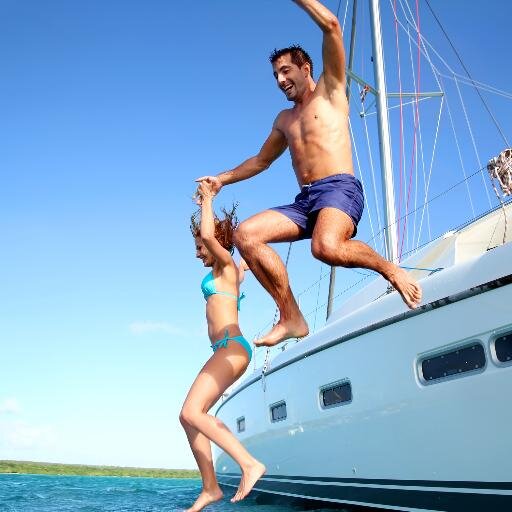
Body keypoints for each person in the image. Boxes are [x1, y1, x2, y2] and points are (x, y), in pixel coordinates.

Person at [196, 0, 422, 348]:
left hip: (339, 189)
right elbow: (260, 161)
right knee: (246, 235)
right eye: (275, 75)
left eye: (286, 70)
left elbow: (332, 25)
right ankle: (291, 316)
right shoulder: (284, 120)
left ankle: (390, 269)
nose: (280, 79)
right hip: (306, 200)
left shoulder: (332, 92)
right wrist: (221, 179)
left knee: (326, 247)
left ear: (306, 68)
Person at [180, 181, 265, 511]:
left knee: (191, 411)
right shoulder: (233, 271)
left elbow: (212, 239)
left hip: (232, 347)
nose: (197, 251)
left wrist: (207, 200)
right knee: (189, 417)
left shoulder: (225, 265)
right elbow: (242, 267)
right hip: (225, 350)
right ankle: (210, 488)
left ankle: (248, 464)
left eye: (200, 246)